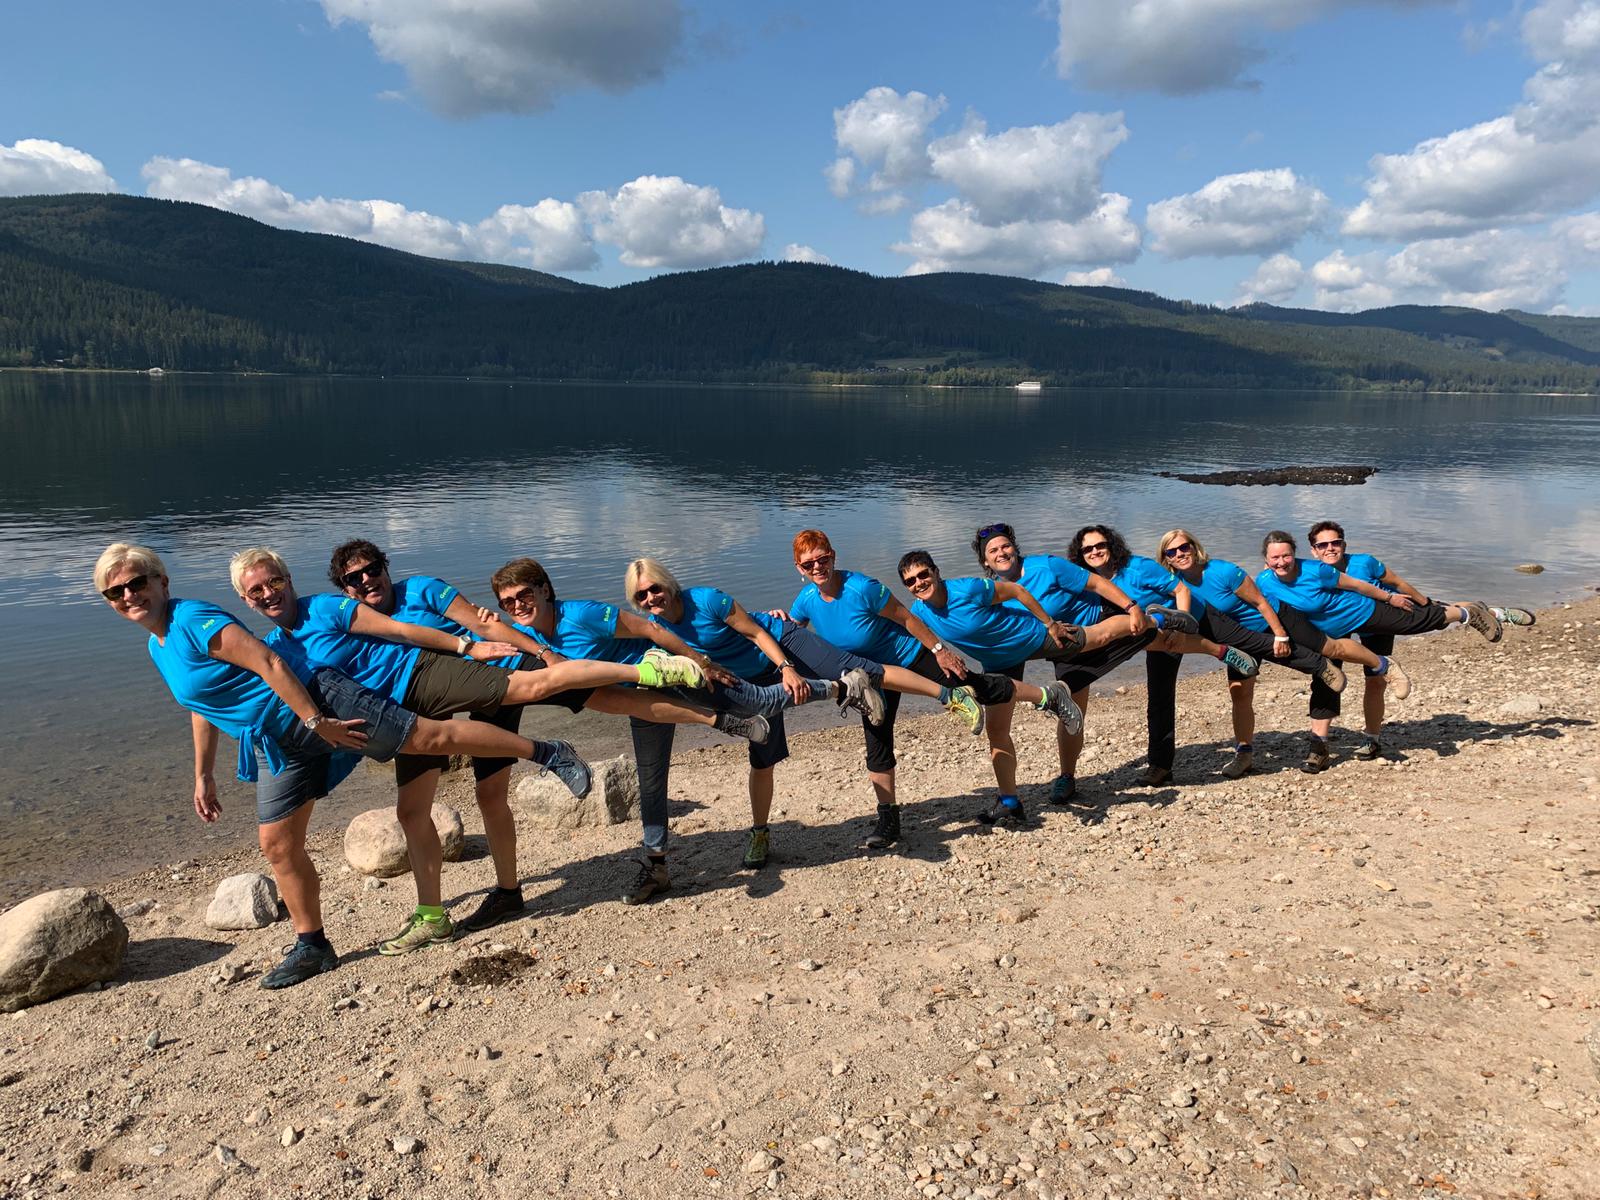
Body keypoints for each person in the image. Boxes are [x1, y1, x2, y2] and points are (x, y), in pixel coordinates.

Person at [96, 543, 602, 990]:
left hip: (328, 708)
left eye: (136, 583)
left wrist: (468, 644)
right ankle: (315, 944)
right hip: (281, 741)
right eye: (115, 592)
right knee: (282, 842)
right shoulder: (162, 645)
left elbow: (283, 662)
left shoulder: (196, 619)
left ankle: (552, 745)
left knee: (450, 727)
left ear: (161, 581)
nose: (128, 595)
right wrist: (203, 774)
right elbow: (202, 705)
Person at [231, 548, 741, 947]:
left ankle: (706, 709)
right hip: (426, 708)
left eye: (371, 571)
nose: (366, 582)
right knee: (467, 799)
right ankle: (499, 894)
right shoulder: (315, 630)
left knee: (605, 698)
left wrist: (538, 651)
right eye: (354, 579)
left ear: (385, 569)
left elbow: (482, 623)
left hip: (494, 667)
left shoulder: (415, 591)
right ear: (345, 588)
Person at [474, 557, 809, 915]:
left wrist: (700, 661)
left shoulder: (582, 615)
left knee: (756, 701)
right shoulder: (528, 636)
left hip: (673, 676)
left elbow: (651, 630)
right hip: (641, 700)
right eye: (507, 602)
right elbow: (480, 643)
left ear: (544, 590)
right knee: (651, 779)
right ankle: (656, 869)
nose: (517, 606)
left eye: (524, 595)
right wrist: (482, 624)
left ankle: (835, 687)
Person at [623, 555, 957, 887]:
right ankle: (759, 834)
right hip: (750, 683)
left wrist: (786, 668)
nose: (651, 598)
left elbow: (756, 632)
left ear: (668, 584)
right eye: (641, 595)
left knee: (859, 669)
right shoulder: (656, 631)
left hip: (777, 652)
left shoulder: (706, 600)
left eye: (655, 588)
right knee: (762, 760)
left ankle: (947, 695)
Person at [784, 530, 1006, 852]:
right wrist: (779, 632)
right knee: (877, 741)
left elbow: (906, 618)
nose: (817, 567)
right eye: (808, 564)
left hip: (908, 655)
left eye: (823, 559)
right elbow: (791, 635)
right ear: (799, 568)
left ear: (833, 556)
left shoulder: (862, 587)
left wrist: (939, 650)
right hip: (873, 677)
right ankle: (888, 820)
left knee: (973, 685)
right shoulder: (806, 601)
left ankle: (1043, 695)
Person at [1155, 528, 1404, 779]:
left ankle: (1382, 664)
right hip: (1240, 638)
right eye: (1172, 552)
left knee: (1330, 648)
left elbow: (1261, 602)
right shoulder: (1176, 584)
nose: (1179, 554)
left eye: (1184, 547)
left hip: (1275, 619)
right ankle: (1244, 754)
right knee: (1240, 692)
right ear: (1166, 558)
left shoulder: (1223, 570)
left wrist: (1280, 634)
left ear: (1194, 547)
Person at [1258, 529, 1503, 773]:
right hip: (1329, 633)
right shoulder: (1265, 582)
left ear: (1295, 554)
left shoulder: (1318, 570)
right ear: (1266, 560)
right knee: (1325, 681)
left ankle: (1467, 613)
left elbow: (1357, 585)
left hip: (1361, 611)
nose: (1282, 562)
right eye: (1275, 558)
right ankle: (1318, 749)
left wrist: (1389, 598)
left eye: (1286, 556)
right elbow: (1262, 608)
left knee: (1417, 621)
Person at [897, 549, 1105, 828]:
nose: (919, 583)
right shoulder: (918, 612)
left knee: (1104, 635)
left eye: (923, 574)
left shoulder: (968, 588)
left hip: (1025, 636)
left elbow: (1017, 590)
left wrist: (1049, 623)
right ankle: (1009, 802)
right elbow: (910, 637)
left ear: (936, 571)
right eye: (910, 581)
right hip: (998, 662)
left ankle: (1153, 619)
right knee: (996, 730)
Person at [1306, 520, 1533, 762]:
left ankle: (1372, 740)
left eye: (1335, 543)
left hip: (1380, 620)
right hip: (1338, 625)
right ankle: (1319, 746)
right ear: (1313, 551)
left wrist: (1426, 605)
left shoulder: (1364, 563)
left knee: (1376, 680)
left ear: (1344, 544)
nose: (1330, 548)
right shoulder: (1310, 573)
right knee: (1326, 679)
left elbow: (1397, 583)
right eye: (1323, 545)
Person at [973, 522, 1156, 806]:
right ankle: (1044, 785)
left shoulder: (1047, 566)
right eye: (993, 550)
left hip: (1088, 628)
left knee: (1157, 638)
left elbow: (1096, 583)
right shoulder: (991, 591)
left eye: (1005, 546)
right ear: (985, 561)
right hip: (1052, 645)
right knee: (1064, 712)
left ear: (1015, 548)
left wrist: (1131, 607)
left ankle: (1172, 623)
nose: (1001, 553)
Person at [1065, 525, 1261, 788]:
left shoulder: (1138, 567)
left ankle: (1298, 654)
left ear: (1111, 546)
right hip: (1153, 633)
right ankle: (1160, 766)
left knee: (1252, 642)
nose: (1095, 551)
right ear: (1080, 554)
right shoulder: (1089, 581)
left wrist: (1181, 625)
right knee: (1159, 697)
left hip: (1187, 617)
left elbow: (1181, 590)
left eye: (1100, 545)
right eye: (1088, 549)